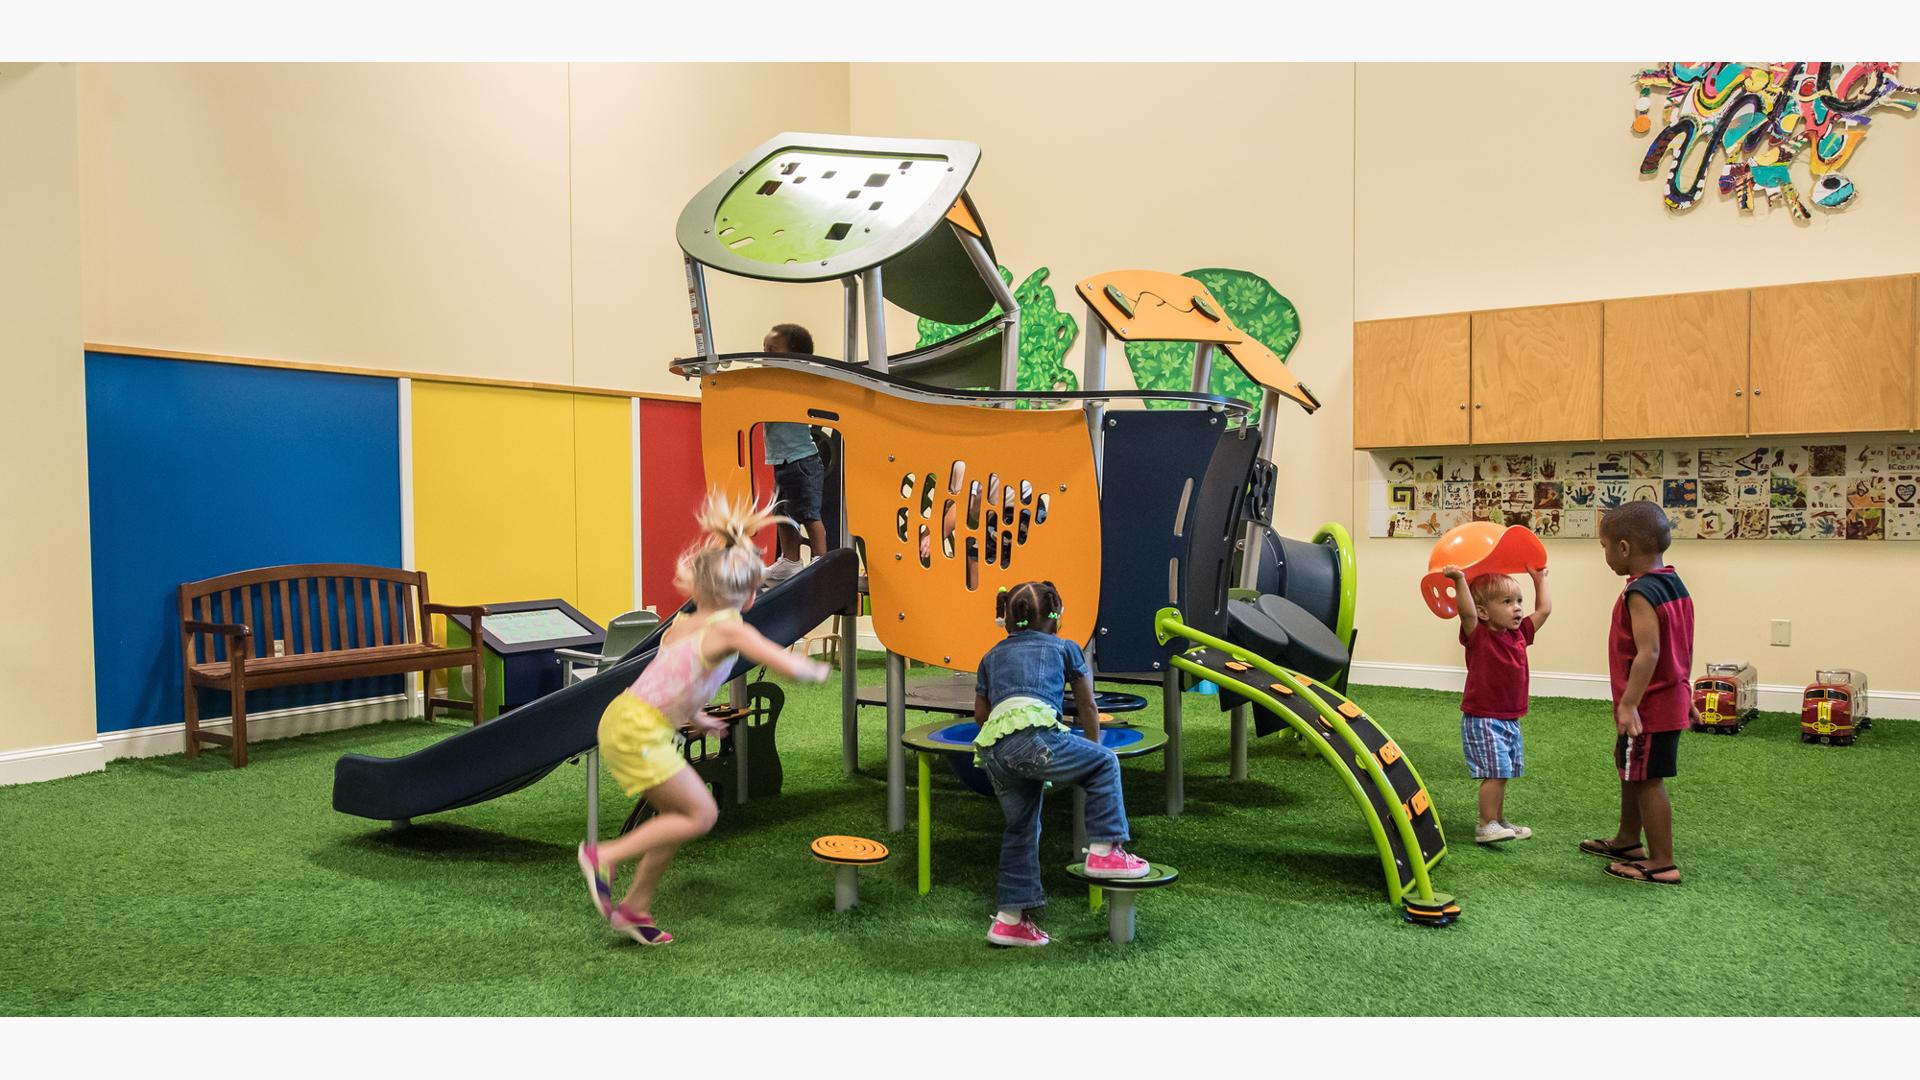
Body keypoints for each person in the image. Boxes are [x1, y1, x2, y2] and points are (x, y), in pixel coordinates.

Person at [577, 491, 831, 943]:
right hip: (639, 731)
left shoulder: (683, 624)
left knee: (678, 814)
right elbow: (777, 656)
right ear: (751, 594)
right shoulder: (730, 626)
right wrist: (810, 668)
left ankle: (635, 906)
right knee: (701, 814)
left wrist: (697, 714)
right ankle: (606, 855)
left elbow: (673, 676)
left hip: (624, 716)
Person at [972, 581, 1150, 947]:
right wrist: (1092, 746)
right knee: (1103, 764)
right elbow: (1087, 706)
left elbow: (980, 714)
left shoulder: (991, 656)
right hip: (1033, 735)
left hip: (993, 748)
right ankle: (1105, 852)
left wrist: (1010, 750)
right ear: (1056, 618)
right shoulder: (1066, 648)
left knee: (1021, 828)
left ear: (1006, 617)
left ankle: (1010, 919)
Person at [1581, 500, 1697, 886]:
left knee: (1649, 780)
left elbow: (1651, 651)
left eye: (1605, 547)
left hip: (1649, 706)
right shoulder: (1672, 582)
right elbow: (1681, 645)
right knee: (1632, 771)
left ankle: (1662, 862)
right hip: (1668, 697)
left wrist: (1629, 704)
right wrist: (1687, 692)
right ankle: (1628, 840)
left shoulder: (1641, 593)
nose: (1606, 555)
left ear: (1625, 548)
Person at [1441, 560, 1550, 844]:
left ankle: (1499, 821)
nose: (1517, 608)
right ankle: (1485, 824)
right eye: (1507, 601)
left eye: (1518, 601)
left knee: (1504, 772)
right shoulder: (1478, 635)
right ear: (1484, 612)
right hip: (1484, 717)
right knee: (1495, 772)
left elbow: (1544, 610)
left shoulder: (1520, 634)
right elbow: (1465, 612)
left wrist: (1539, 580)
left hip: (1509, 718)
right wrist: (1459, 580)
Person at [760, 323, 828, 586]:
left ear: (793, 358)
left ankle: (820, 560)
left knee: (809, 512)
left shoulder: (795, 382)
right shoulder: (768, 383)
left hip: (803, 460)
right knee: (783, 513)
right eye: (763, 349)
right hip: (780, 459)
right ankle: (790, 560)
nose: (765, 355)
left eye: (772, 350)